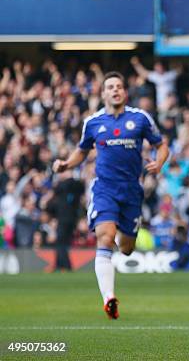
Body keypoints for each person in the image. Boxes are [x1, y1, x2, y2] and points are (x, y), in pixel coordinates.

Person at [52, 71, 169, 320]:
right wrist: (66, 165)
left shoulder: (140, 119)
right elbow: (82, 151)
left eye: (118, 86)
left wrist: (159, 163)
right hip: (104, 188)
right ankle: (109, 298)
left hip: (131, 192)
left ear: (125, 92)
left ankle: (119, 247)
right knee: (105, 237)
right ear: (103, 93)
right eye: (110, 87)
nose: (114, 90)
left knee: (126, 248)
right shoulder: (93, 123)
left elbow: (161, 144)